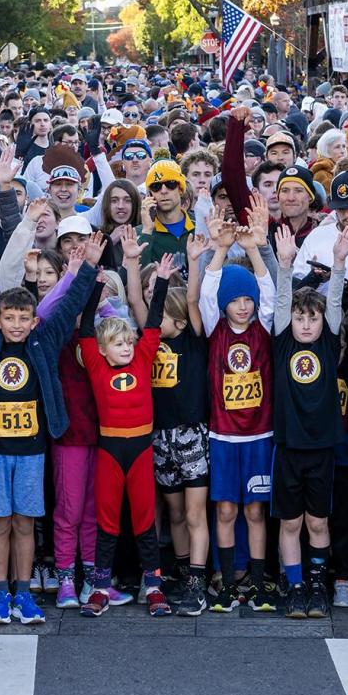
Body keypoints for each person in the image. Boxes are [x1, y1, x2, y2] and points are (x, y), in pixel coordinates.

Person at [0, 231, 100, 626]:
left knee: (25, 522)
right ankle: (0, 592)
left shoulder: (44, 339)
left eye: (24, 318)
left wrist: (87, 266)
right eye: (10, 319)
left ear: (35, 320)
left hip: (32, 450)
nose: (17, 325)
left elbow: (71, 301)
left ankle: (24, 593)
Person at [77, 255, 177, 617]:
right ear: (102, 350)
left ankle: (153, 585)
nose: (125, 346)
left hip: (139, 448)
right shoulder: (95, 364)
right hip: (110, 449)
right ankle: (100, 587)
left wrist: (162, 281)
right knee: (107, 521)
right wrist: (96, 287)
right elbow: (86, 327)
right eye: (117, 343)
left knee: (144, 519)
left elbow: (152, 325)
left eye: (128, 341)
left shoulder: (142, 359)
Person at [199, 199, 278, 611]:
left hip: (260, 435)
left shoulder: (263, 327)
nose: (243, 306)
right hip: (224, 437)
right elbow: (209, 291)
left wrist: (253, 249)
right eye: (236, 300)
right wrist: (218, 249)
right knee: (226, 509)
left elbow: (269, 293)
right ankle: (227, 581)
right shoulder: (216, 329)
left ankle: (260, 582)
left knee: (255, 511)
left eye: (246, 300)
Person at [270, 224, 348, 618]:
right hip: (288, 448)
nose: (305, 324)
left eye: (311, 319)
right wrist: (285, 265)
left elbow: (333, 302)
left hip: (321, 449)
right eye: (300, 317)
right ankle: (295, 583)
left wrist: (338, 262)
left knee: (318, 522)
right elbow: (283, 301)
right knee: (290, 522)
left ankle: (318, 584)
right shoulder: (282, 339)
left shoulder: (328, 341)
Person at [155, 237, 213, 615]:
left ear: (176, 320)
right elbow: (139, 303)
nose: (152, 320)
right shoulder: (150, 340)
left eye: (161, 315)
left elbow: (192, 301)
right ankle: (179, 568)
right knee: (174, 512)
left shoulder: (192, 340)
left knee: (195, 513)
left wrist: (194, 263)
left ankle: (197, 580)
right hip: (160, 434)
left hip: (192, 432)